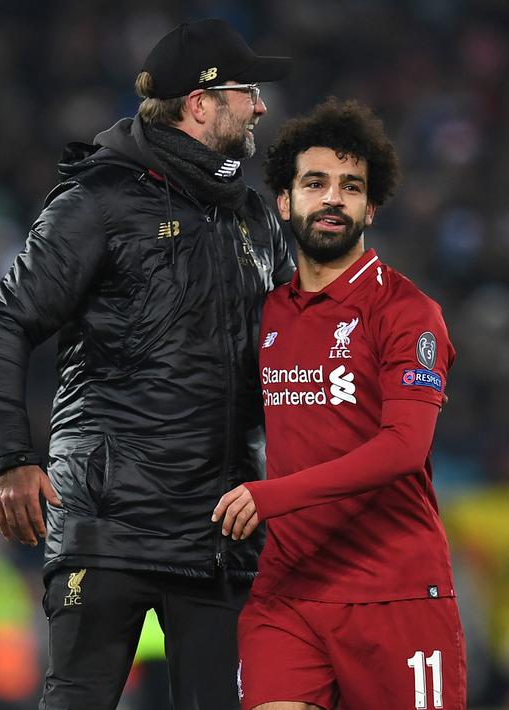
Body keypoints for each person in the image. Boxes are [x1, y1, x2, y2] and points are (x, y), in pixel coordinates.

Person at [0, 18, 294, 709]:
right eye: (247, 91)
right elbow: (3, 322)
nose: (260, 106)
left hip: (222, 533)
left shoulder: (257, 218)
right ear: (199, 103)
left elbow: (295, 355)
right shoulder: (99, 200)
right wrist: (8, 459)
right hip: (108, 526)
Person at [213, 98, 467, 709]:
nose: (333, 198)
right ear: (284, 201)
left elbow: (403, 449)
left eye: (351, 187)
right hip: (288, 592)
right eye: (315, 183)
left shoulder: (408, 313)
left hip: (394, 591)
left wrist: (271, 497)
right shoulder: (268, 313)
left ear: (370, 208)